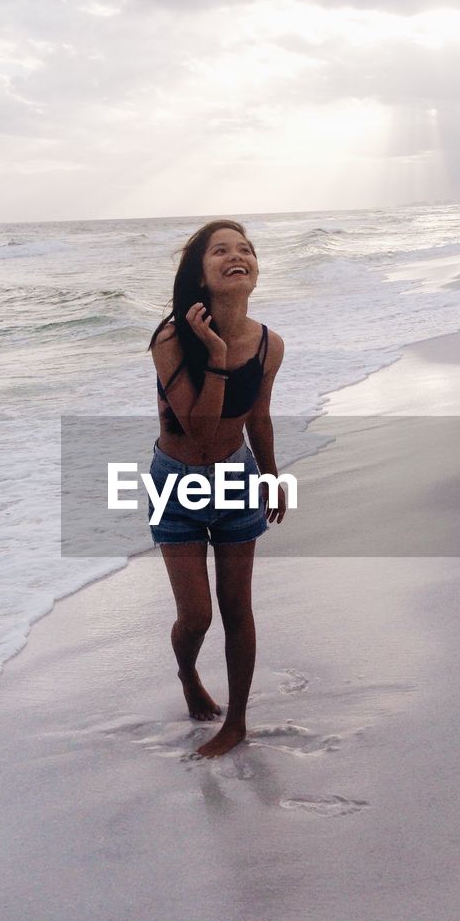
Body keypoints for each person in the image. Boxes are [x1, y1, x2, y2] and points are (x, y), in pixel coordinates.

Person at [147, 219, 285, 758]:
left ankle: (239, 722)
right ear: (201, 275)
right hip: (177, 482)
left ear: (254, 269)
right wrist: (217, 358)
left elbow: (261, 418)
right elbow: (198, 428)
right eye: (221, 250)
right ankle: (187, 674)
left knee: (237, 607)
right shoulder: (171, 339)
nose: (237, 256)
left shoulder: (269, 344)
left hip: (235, 476)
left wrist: (272, 477)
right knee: (196, 617)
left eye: (246, 249)